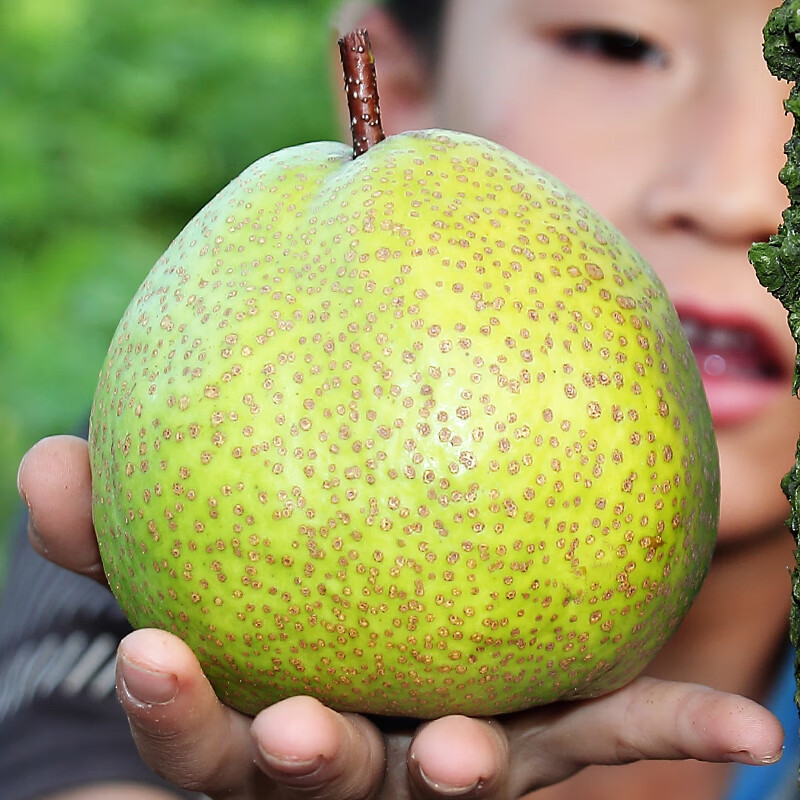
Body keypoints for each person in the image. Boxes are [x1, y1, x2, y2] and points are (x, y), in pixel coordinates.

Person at [3, 0, 800, 797]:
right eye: (616, 43)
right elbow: (66, 714)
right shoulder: (168, 476)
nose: (739, 196)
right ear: (404, 77)